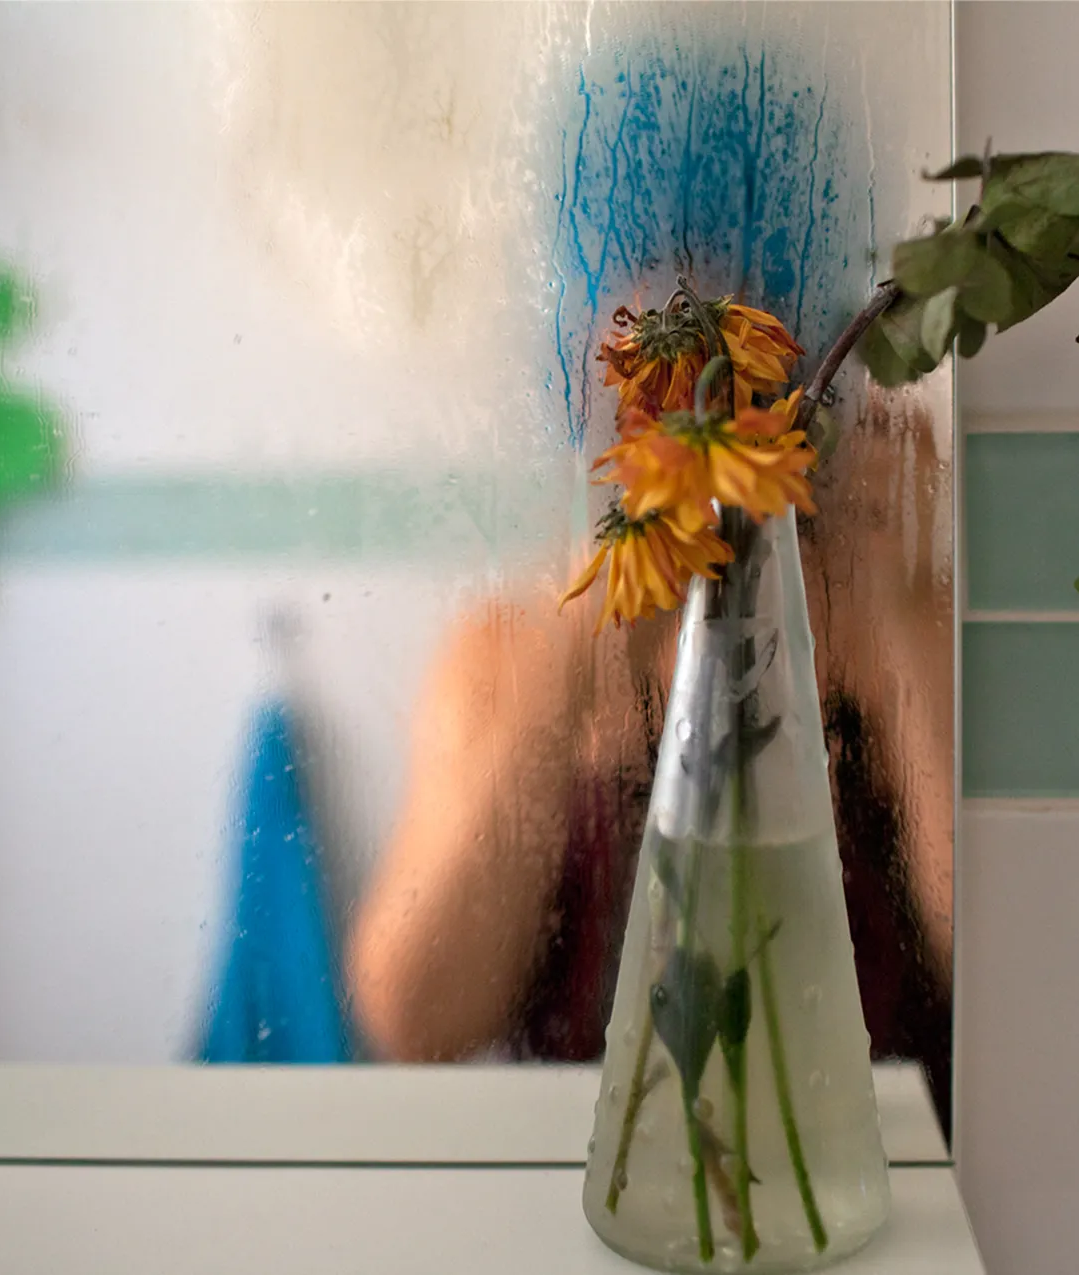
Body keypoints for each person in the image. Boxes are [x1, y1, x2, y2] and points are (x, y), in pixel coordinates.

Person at [347, 395, 956, 1133]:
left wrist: (897, 609)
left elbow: (1003, 988)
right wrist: (578, 652)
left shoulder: (900, 634)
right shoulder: (506, 656)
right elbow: (415, 1021)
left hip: (868, 1171)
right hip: (570, 1180)